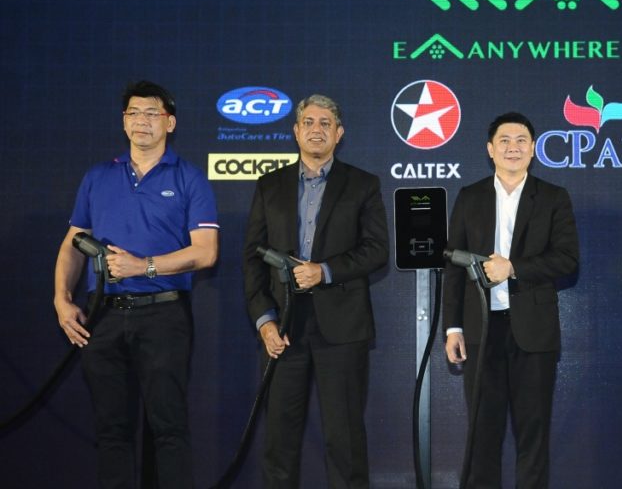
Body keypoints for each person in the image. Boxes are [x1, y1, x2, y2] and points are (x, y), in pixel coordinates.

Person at [53, 80, 219, 487]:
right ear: (124, 122)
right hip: (103, 317)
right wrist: (61, 298)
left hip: (164, 316)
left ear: (170, 122)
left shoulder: (189, 177)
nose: (141, 121)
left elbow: (205, 252)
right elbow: (73, 244)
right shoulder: (98, 176)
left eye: (151, 113)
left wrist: (142, 266)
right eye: (133, 113)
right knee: (112, 430)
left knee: (169, 429)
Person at [243, 94, 388, 488]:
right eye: (308, 122)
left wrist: (324, 271)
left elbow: (377, 250)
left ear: (339, 134)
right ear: (296, 131)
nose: (317, 129)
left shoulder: (363, 184)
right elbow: (253, 259)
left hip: (343, 330)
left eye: (326, 123)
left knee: (345, 441)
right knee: (279, 440)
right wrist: (264, 321)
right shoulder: (269, 186)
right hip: (282, 328)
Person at [443, 112, 579, 489]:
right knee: (482, 433)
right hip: (480, 330)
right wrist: (452, 327)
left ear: (533, 149)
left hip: (533, 332)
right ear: (490, 150)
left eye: (521, 140)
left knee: (532, 433)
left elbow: (568, 259)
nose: (513, 147)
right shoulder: (470, 197)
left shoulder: (553, 197)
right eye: (504, 140)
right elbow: (453, 265)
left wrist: (514, 268)